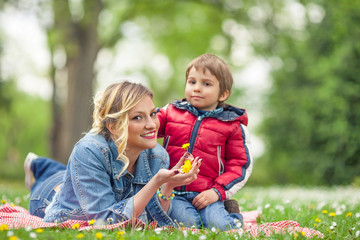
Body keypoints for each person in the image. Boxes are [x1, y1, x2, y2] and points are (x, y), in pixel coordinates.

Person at [24, 81, 202, 227]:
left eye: (153, 114)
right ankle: (38, 165)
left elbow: (153, 215)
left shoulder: (158, 156)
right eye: (137, 117)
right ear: (113, 126)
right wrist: (155, 181)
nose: (152, 125)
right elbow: (105, 221)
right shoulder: (89, 150)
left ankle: (48, 167)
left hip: (82, 181)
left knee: (67, 174)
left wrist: (168, 183)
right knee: (55, 179)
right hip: (48, 199)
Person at [157, 53, 253, 230]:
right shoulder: (171, 112)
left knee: (221, 227)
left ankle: (230, 212)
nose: (197, 88)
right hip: (174, 191)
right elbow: (148, 126)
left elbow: (240, 165)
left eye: (206, 84)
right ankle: (203, 217)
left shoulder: (231, 125)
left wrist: (217, 192)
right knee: (187, 225)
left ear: (223, 94)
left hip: (208, 192)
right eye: (192, 82)